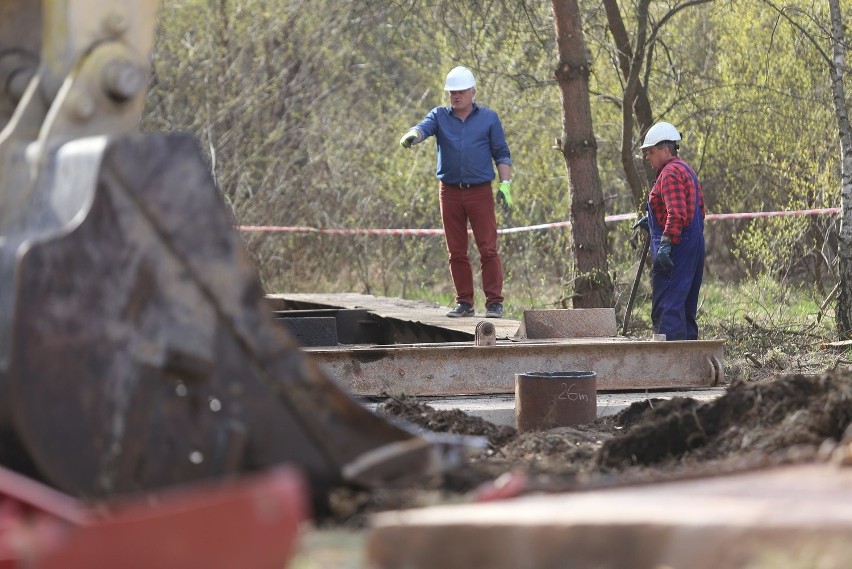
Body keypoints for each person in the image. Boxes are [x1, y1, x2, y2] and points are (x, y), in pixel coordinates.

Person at [398, 66, 513, 319]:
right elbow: (423, 128)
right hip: (449, 192)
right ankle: (464, 303)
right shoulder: (439, 116)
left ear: (473, 91)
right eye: (452, 92)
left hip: (480, 192)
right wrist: (413, 135)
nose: (456, 96)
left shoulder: (489, 119)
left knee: (488, 248)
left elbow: (502, 153)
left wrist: (505, 184)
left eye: (460, 91)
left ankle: (494, 303)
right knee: (456, 250)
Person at [635, 121, 705, 340]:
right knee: (685, 306)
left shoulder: (670, 173)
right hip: (692, 243)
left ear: (666, 150)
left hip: (676, 247)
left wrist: (666, 242)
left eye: (651, 151)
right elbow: (699, 211)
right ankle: (691, 365)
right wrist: (655, 218)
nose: (648, 157)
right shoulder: (686, 170)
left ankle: (669, 366)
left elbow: (676, 213)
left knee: (668, 306)